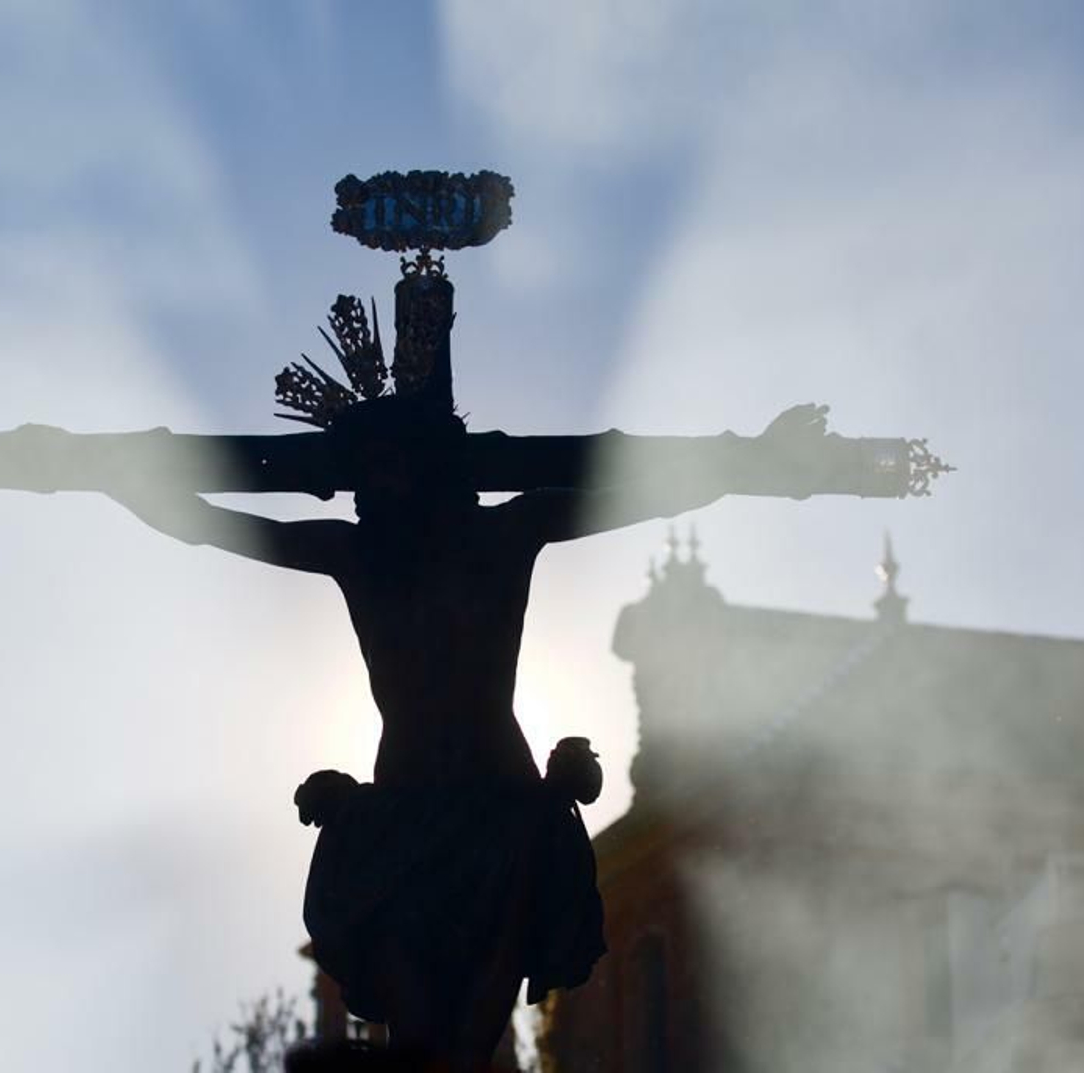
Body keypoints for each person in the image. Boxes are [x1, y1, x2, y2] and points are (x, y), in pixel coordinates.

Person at [106, 395, 830, 1070]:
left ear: (424, 468)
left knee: (463, 1037)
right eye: (361, 472)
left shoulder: (501, 532)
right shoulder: (362, 552)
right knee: (422, 1031)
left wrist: (757, 458)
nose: (364, 488)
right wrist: (133, 485)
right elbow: (226, 530)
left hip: (498, 814)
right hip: (407, 813)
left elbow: (636, 490)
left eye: (380, 468)